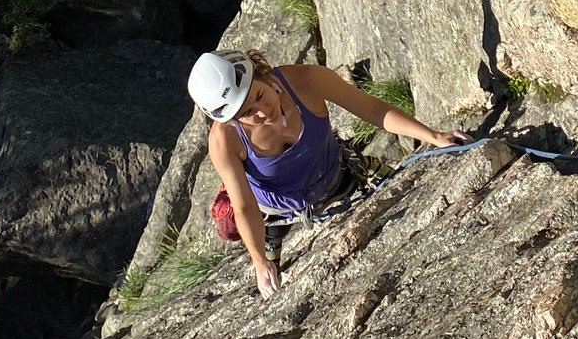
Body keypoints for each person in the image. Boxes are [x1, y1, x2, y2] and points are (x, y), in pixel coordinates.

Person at [187, 48, 467, 298]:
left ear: (261, 74)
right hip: (275, 215)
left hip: (340, 176)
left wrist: (434, 137)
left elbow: (373, 109)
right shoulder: (225, 141)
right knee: (271, 292)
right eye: (247, 113)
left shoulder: (306, 80)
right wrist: (259, 261)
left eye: (259, 95)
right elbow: (244, 205)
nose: (263, 112)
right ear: (232, 119)